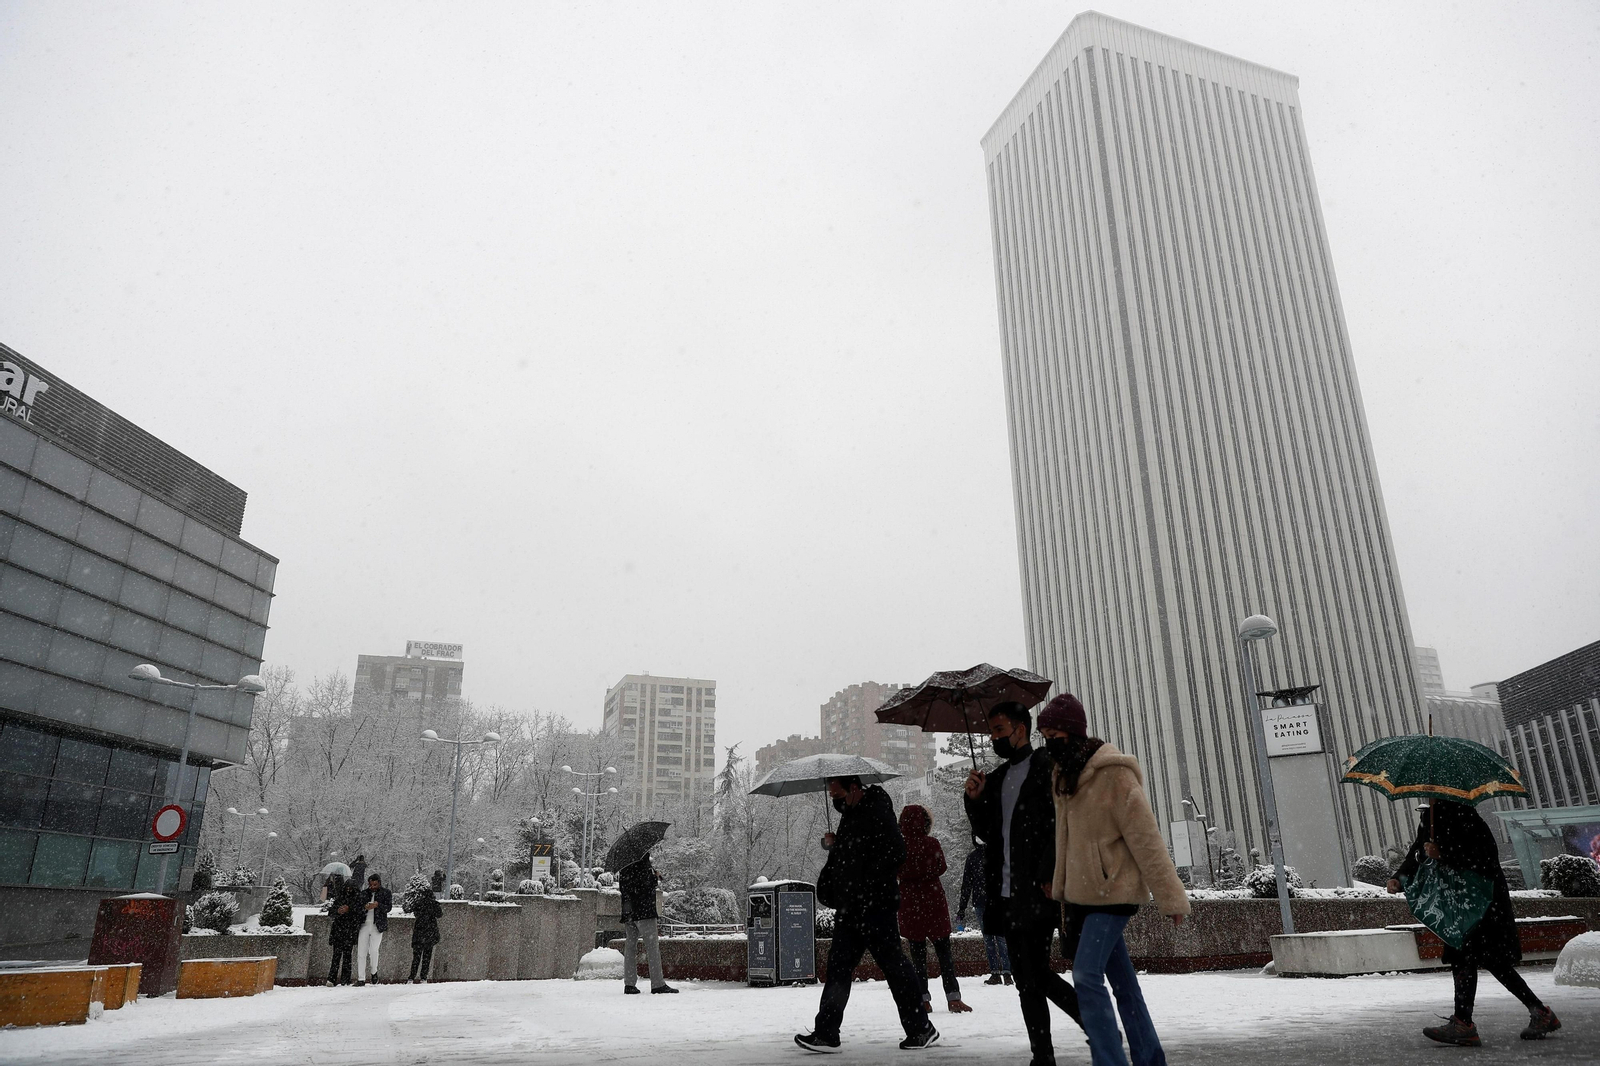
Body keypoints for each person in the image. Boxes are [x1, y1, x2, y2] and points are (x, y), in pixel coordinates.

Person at [1039, 692, 1189, 1066]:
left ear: (1072, 734)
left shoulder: (1114, 774)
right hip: (1080, 896)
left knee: (1086, 976)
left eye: (1055, 736)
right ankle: (1149, 1058)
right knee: (1124, 985)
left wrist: (1170, 898)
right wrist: (1057, 883)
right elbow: (1063, 838)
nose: (1049, 745)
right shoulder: (1062, 777)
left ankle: (1110, 1061)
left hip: (1114, 892)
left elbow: (1146, 837)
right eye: (1045, 737)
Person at [1389, 799, 1561, 1046]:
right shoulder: (1431, 816)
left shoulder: (1466, 815)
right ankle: (1536, 1013)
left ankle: (1465, 1024)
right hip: (1458, 901)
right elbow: (1418, 849)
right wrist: (1400, 877)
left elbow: (1485, 856)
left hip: (1482, 900)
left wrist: (1445, 853)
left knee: (1478, 957)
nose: (1427, 791)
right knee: (1478, 958)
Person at [965, 701, 1081, 1066]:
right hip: (1005, 892)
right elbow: (987, 834)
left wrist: (1049, 872)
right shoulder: (997, 779)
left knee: (1036, 975)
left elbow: (1057, 827)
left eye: (999, 730)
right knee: (1025, 979)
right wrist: (974, 800)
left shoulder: (1047, 767)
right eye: (991, 732)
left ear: (1020, 728)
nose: (994, 738)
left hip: (1036, 889)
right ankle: (1043, 1055)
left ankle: (1090, 1022)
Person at [796, 775, 939, 1054]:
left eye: (835, 792)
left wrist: (864, 878)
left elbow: (895, 852)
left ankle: (921, 1028)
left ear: (853, 788)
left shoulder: (876, 812)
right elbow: (857, 853)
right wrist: (837, 845)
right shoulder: (852, 814)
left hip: (875, 906)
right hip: (852, 908)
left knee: (894, 966)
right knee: (839, 968)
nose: (832, 798)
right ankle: (826, 1032)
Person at [897, 804, 971, 1014]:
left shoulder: (900, 846)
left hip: (912, 905)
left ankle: (923, 999)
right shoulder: (932, 843)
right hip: (933, 904)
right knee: (944, 954)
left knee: (917, 956)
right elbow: (942, 867)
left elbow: (897, 870)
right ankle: (953, 998)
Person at [956, 838, 1012, 986]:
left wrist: (962, 908)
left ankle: (997, 972)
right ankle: (1006, 972)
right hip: (997, 901)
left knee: (990, 939)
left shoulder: (973, 858)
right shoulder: (999, 855)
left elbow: (966, 884)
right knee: (1000, 938)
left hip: (982, 902)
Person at [619, 853, 677, 994]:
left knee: (630, 948)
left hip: (629, 912)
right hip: (644, 911)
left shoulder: (624, 865)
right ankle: (657, 983)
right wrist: (654, 878)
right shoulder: (642, 863)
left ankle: (629, 983)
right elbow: (644, 886)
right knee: (652, 948)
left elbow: (625, 888)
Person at [355, 872, 392, 987]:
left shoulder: (386, 893)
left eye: (375, 885)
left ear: (379, 883)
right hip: (364, 925)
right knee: (361, 951)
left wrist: (378, 905)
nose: (373, 887)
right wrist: (365, 907)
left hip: (377, 925)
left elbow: (388, 908)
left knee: (374, 950)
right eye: (371, 885)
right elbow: (357, 908)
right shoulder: (364, 894)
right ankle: (361, 978)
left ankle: (374, 971)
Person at [325, 873, 362, 986]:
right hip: (340, 930)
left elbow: (359, 913)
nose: (348, 890)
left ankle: (344, 979)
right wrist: (338, 911)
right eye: (347, 888)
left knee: (346, 956)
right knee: (337, 956)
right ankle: (333, 978)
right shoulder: (340, 898)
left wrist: (348, 910)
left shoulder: (357, 900)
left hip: (348, 930)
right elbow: (331, 912)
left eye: (351, 889)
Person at [409, 883, 442, 983]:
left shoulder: (418, 903)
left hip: (419, 932)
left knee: (416, 957)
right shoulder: (434, 904)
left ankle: (411, 976)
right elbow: (439, 914)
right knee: (427, 957)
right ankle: (423, 977)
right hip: (429, 933)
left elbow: (414, 912)